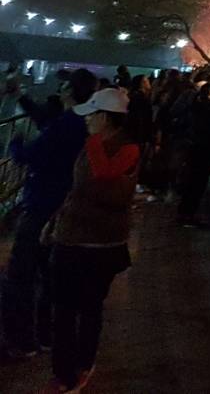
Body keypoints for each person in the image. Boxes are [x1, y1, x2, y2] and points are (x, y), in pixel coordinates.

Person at [45, 86, 139, 393]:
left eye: (92, 116)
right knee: (68, 308)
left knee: (83, 309)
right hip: (74, 239)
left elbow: (99, 183)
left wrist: (95, 140)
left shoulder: (125, 149)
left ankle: (78, 367)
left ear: (104, 117)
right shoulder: (94, 145)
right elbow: (79, 189)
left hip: (98, 245)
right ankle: (67, 369)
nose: (86, 121)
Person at [1, 68, 96, 364]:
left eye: (64, 83)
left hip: (42, 206)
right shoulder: (78, 122)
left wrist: (15, 142)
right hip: (60, 207)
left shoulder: (67, 125)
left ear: (70, 90)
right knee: (46, 275)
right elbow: (47, 124)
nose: (60, 86)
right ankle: (43, 336)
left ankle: (22, 339)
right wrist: (22, 97)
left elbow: (29, 154)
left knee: (20, 275)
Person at [176, 83, 210, 227]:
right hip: (205, 150)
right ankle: (188, 216)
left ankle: (184, 213)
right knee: (198, 184)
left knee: (191, 182)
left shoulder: (194, 107)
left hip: (193, 148)